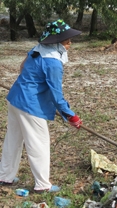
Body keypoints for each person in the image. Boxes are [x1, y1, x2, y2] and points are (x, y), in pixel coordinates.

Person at [0, 19, 82, 192]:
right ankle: (43, 185)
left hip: (15, 98)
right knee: (39, 143)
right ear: (58, 43)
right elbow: (56, 94)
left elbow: (22, 67)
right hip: (30, 105)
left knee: (13, 140)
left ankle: (5, 176)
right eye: (67, 42)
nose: (70, 45)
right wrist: (70, 115)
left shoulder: (37, 50)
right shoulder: (53, 63)